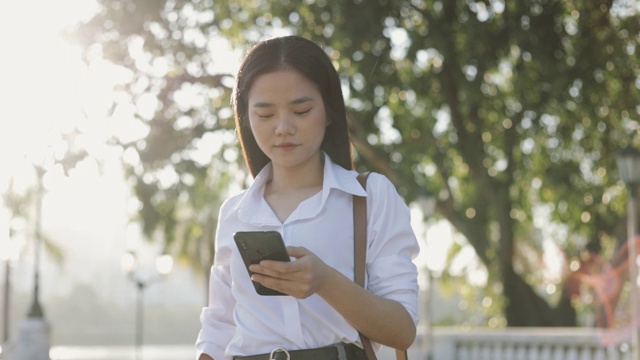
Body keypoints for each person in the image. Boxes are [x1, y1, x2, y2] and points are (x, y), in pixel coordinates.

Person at [196, 35, 420, 360]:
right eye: (265, 114)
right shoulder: (234, 213)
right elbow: (219, 329)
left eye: (301, 110)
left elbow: (402, 330)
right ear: (244, 118)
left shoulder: (370, 196)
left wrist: (325, 281)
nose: (283, 127)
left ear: (329, 111)